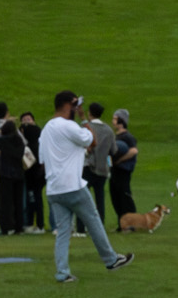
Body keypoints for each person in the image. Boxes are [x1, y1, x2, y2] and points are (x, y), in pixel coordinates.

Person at [39, 91, 131, 282]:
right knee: (94, 220)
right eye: (75, 105)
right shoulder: (69, 125)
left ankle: (62, 273)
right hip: (72, 185)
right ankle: (110, 259)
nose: (78, 109)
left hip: (54, 188)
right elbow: (93, 140)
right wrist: (83, 119)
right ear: (67, 105)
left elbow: (42, 160)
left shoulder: (47, 128)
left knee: (63, 232)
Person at [0, 113, 25, 236]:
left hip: (5, 173)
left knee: (5, 202)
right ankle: (18, 227)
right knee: (18, 201)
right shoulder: (19, 141)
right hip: (19, 174)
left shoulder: (2, 141)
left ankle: (5, 228)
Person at [83, 101, 116, 227]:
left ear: (90, 113)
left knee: (83, 198)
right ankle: (99, 225)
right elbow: (114, 150)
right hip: (102, 168)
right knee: (100, 198)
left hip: (87, 166)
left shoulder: (87, 127)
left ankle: (81, 228)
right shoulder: (108, 130)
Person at [18, 113, 45, 234]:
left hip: (32, 176)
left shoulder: (28, 146)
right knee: (36, 199)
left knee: (32, 200)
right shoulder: (40, 143)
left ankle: (33, 224)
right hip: (39, 175)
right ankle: (39, 224)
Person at [110, 110, 139, 219]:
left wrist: (119, 160)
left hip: (123, 171)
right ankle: (121, 222)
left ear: (121, 121)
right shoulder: (115, 137)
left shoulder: (127, 137)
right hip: (114, 171)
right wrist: (110, 165)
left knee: (124, 195)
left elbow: (133, 151)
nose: (112, 121)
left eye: (115, 118)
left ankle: (132, 222)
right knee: (115, 196)